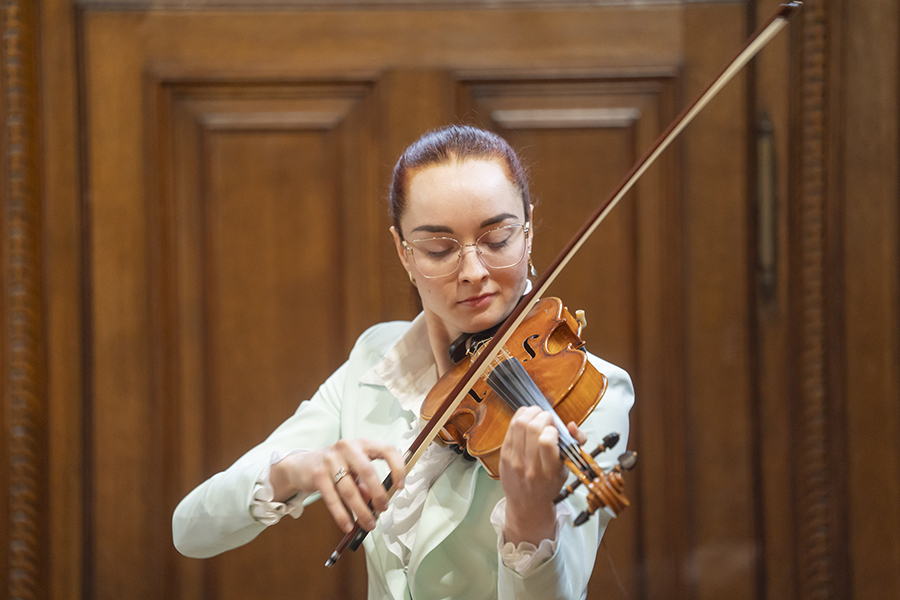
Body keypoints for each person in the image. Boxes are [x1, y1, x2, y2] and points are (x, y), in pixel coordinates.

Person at [172, 124, 634, 600]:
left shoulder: (593, 389)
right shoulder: (375, 360)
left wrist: (531, 516)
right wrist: (301, 469)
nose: (474, 272)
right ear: (404, 253)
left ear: (529, 230)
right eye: (439, 249)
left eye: (497, 239)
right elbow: (191, 532)